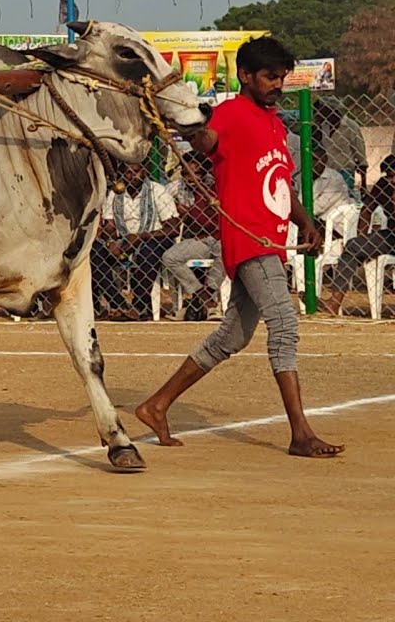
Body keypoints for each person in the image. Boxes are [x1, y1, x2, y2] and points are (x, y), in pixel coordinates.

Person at [135, 36, 344, 459]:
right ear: (245, 75)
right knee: (283, 324)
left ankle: (156, 405)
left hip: (268, 240)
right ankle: (300, 433)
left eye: (281, 77)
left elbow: (279, 182)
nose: (277, 84)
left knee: (232, 336)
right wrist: (191, 126)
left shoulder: (274, 123)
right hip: (249, 240)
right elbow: (207, 141)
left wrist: (304, 221)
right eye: (270, 76)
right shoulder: (230, 113)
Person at [90, 162, 179, 321]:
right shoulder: (115, 193)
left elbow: (173, 229)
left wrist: (141, 237)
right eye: (128, 172)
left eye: (136, 171)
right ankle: (119, 305)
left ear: (144, 172)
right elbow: (109, 225)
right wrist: (110, 241)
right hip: (124, 240)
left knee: (148, 251)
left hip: (153, 238)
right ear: (122, 174)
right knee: (94, 251)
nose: (133, 176)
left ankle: (139, 306)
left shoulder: (157, 190)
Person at [319, 154, 395, 316]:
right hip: (391, 237)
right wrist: (362, 238)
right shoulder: (384, 185)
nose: (392, 180)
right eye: (390, 176)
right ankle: (334, 302)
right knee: (353, 245)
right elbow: (367, 210)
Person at [161, 150, 224, 321]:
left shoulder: (215, 187)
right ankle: (204, 298)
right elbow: (164, 202)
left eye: (196, 174)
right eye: (187, 174)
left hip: (222, 237)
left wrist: (188, 213)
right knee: (170, 257)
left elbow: (208, 218)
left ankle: (205, 298)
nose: (191, 178)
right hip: (199, 238)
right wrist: (177, 209)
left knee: (226, 253)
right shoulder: (179, 187)